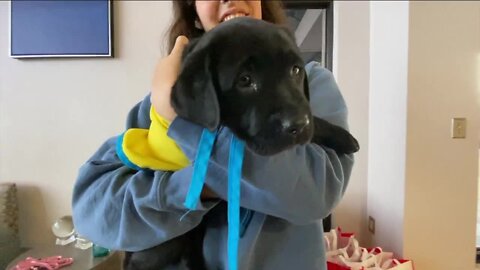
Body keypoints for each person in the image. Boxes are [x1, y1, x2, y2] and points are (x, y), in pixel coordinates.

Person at [72, 1, 355, 269]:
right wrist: (195, 187)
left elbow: (314, 193)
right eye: (244, 80)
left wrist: (186, 135)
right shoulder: (161, 100)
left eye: (293, 71)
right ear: (193, 12)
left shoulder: (315, 81)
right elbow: (92, 213)